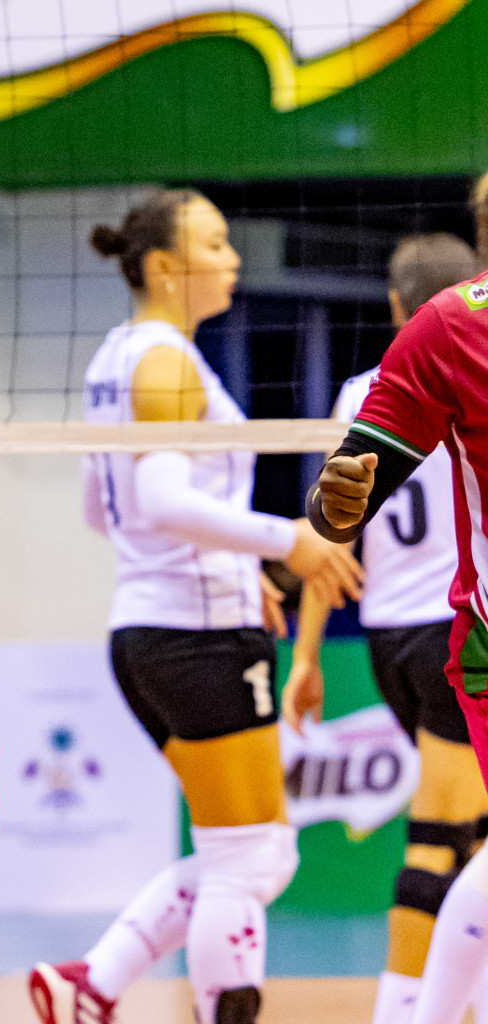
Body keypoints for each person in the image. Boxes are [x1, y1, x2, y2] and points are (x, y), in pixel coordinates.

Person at [30, 190, 363, 1024]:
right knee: (252, 861)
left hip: (149, 628)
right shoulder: (166, 361)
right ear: (165, 266)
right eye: (214, 244)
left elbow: (100, 510)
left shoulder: (117, 357)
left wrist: (226, 564)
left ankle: (93, 982)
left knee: (242, 854)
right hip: (196, 636)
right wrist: (283, 542)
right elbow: (160, 495)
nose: (232, 257)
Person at [283, 233, 486, 1024]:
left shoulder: (360, 392)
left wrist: (306, 656)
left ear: (399, 306)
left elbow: (334, 537)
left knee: (466, 834)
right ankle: (402, 1011)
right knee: (440, 837)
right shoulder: (464, 358)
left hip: (386, 637)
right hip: (451, 628)